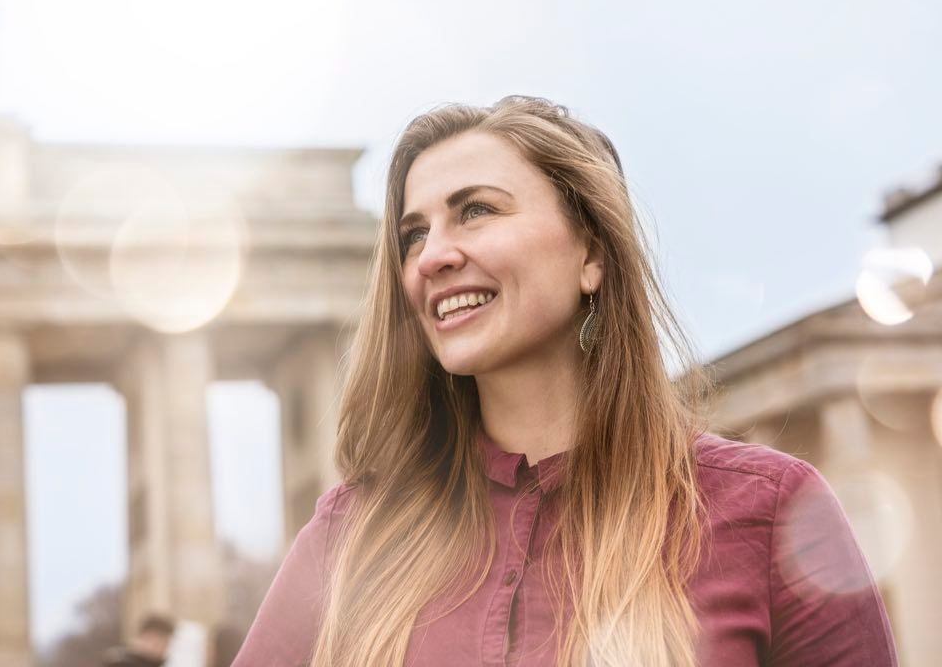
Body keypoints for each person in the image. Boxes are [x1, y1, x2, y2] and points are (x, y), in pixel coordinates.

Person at [233, 96, 898, 666]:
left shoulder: (767, 509)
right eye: (413, 235)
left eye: (477, 211)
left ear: (592, 254)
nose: (434, 255)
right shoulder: (351, 536)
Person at [101, 613, 175, 667]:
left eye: (166, 643)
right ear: (144, 638)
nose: (163, 649)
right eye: (158, 643)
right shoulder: (121, 663)